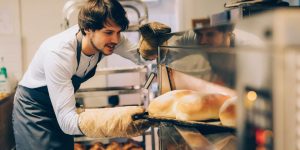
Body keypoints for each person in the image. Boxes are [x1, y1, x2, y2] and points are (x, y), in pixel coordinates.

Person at [12, 0, 157, 149]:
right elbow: (67, 123)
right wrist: (115, 120)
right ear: (88, 29)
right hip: (34, 108)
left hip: (61, 106)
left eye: (119, 32)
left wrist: (152, 45)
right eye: (108, 33)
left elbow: (142, 58)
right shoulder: (59, 53)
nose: (116, 39)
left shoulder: (110, 38)